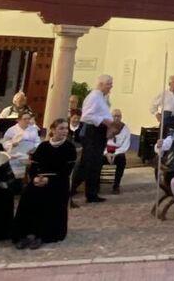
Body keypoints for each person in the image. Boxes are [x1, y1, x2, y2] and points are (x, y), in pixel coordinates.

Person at [12, 118, 77, 249]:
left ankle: (42, 234)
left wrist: (50, 180)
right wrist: (35, 178)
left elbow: (66, 171)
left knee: (48, 198)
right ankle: (23, 234)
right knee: (27, 197)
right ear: (53, 130)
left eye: (66, 128)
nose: (65, 131)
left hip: (58, 182)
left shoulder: (69, 148)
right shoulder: (43, 146)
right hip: (39, 180)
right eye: (61, 128)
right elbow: (34, 166)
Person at [79, 74, 114, 203]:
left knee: (96, 164)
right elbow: (86, 116)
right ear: (101, 84)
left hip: (99, 133)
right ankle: (71, 191)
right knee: (88, 163)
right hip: (93, 132)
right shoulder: (94, 97)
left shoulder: (103, 98)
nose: (111, 86)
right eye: (109, 84)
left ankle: (92, 193)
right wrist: (103, 121)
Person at [3, 112, 41, 179]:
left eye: (28, 119)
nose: (27, 121)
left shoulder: (33, 129)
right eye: (25, 119)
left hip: (30, 153)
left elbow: (37, 141)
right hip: (17, 153)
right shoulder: (11, 130)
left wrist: (35, 147)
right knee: (18, 176)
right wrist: (12, 144)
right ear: (19, 120)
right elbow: (5, 142)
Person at [104, 108, 131, 195]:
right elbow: (100, 143)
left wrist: (115, 154)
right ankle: (95, 186)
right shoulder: (106, 127)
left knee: (122, 161)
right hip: (105, 151)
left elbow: (125, 145)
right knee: (96, 161)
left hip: (118, 152)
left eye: (118, 116)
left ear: (121, 117)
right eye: (114, 116)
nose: (116, 118)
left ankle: (116, 186)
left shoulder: (125, 129)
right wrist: (106, 153)